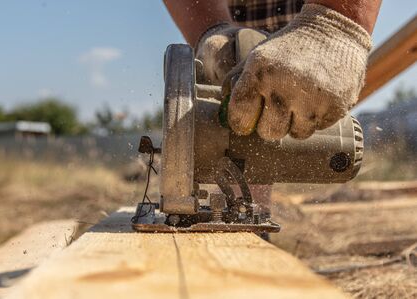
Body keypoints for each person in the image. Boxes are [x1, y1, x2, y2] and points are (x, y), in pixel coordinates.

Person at [163, 0, 382, 223]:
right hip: (234, 7)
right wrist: (210, 29)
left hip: (307, 9)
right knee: (240, 58)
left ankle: (248, 223)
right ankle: (245, 223)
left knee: (268, 113)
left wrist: (336, 23)